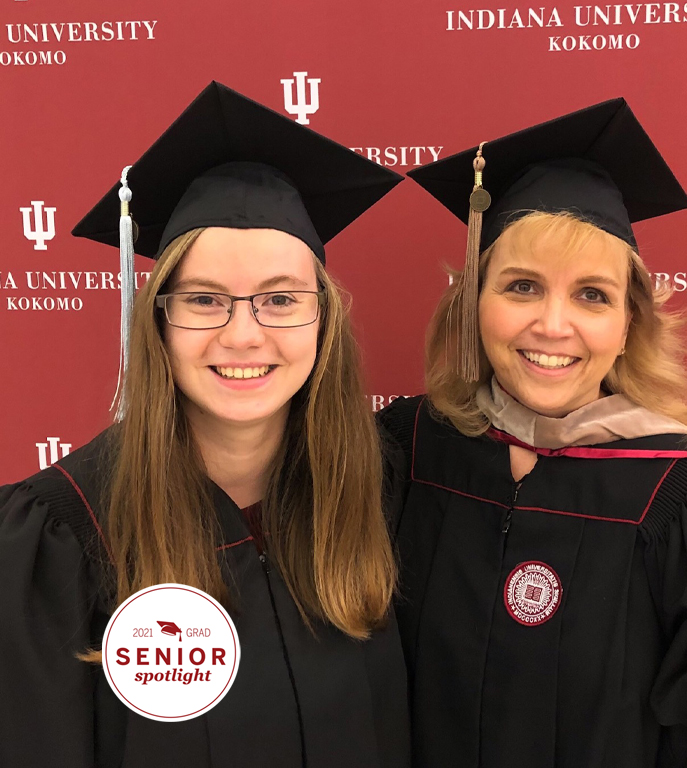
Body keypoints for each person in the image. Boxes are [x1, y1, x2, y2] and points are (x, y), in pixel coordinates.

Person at [0, 82, 410, 768]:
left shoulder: (381, 494)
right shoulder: (63, 534)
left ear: (323, 320)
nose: (243, 335)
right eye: (205, 300)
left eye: (280, 299)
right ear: (156, 319)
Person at [378, 98, 687, 767]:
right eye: (522, 286)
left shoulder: (685, 498)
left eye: (593, 295)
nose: (553, 326)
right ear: (475, 303)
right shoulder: (410, 451)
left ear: (628, 325)